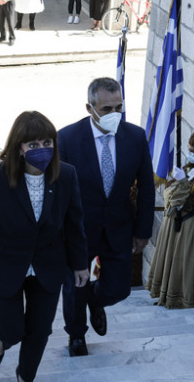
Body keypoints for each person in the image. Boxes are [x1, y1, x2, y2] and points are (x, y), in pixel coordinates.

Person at [0, 111, 89, 382]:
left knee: (40, 328)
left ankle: (26, 375)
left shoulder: (66, 175)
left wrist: (80, 264)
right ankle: (1, 338)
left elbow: (74, 223)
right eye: (33, 145)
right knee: (12, 329)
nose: (41, 150)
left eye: (47, 143)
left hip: (48, 264)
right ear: (19, 148)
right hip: (4, 264)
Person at [58, 77, 155, 357]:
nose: (114, 114)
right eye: (106, 109)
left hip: (119, 227)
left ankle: (95, 300)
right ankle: (76, 335)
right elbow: (60, 190)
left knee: (119, 289)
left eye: (119, 107)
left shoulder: (135, 137)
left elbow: (147, 188)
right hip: (79, 230)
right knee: (74, 286)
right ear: (90, 108)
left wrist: (143, 231)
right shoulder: (67, 138)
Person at [146, 129, 194, 309]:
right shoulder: (189, 168)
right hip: (173, 220)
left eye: (193, 151)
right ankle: (165, 295)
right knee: (170, 259)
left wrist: (181, 183)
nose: (189, 154)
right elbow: (170, 196)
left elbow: (191, 203)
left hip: (191, 224)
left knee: (185, 263)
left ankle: (181, 298)